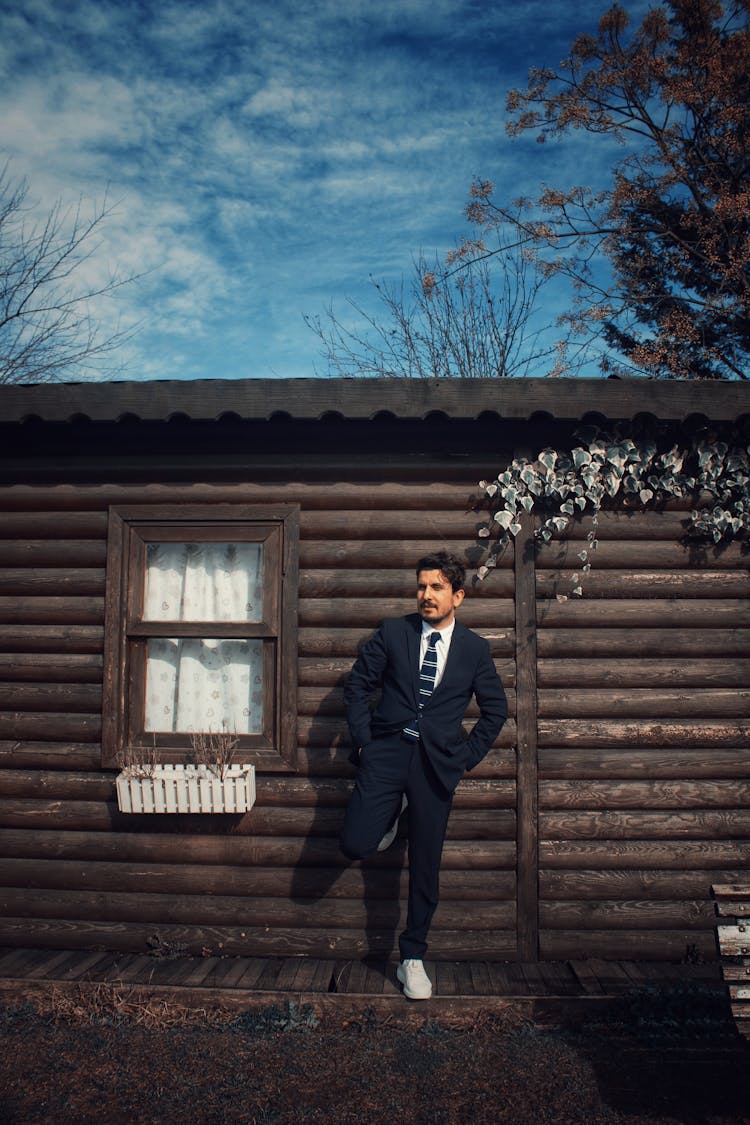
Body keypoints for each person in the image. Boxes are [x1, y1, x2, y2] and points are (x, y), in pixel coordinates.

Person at [340, 550, 507, 1000]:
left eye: (436, 587)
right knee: (355, 842)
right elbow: (357, 686)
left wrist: (464, 758)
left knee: (426, 868)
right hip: (387, 754)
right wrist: (363, 744)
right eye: (421, 586)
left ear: (459, 595)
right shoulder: (394, 633)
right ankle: (395, 812)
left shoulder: (474, 649)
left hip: (436, 765)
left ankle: (412, 957)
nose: (426, 595)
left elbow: (496, 710)